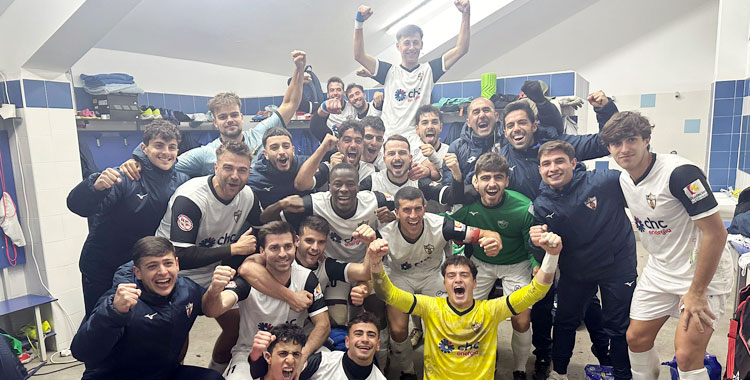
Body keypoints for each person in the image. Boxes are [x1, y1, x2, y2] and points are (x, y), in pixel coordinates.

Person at [600, 111, 734, 380]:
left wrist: (696, 292)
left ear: (647, 140)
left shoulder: (680, 174)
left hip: (701, 274)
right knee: (635, 339)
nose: (624, 149)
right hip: (660, 270)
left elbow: (716, 234)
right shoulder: (624, 180)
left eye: (631, 140)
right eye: (616, 143)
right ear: (609, 148)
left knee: (686, 357)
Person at [368, 232, 561, 380]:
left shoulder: (491, 310)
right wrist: (375, 263)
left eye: (464, 275)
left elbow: (537, 291)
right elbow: (388, 294)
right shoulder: (430, 306)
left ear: (475, 283)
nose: (457, 280)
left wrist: (552, 255)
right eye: (451, 276)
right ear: (444, 284)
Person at [530, 141, 637, 380]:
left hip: (617, 265)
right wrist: (537, 243)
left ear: (574, 163)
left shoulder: (606, 181)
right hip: (576, 270)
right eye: (546, 164)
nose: (553, 168)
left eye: (559, 161)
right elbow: (542, 253)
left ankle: (622, 375)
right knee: (566, 322)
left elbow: (642, 196)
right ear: (539, 170)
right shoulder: (542, 204)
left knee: (618, 325)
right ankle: (559, 373)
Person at [155, 140, 263, 372]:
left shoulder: (247, 195)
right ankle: (174, 374)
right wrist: (233, 249)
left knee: (237, 328)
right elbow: (180, 256)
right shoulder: (191, 197)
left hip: (213, 272)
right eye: (228, 168)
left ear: (249, 172)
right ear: (215, 167)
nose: (235, 176)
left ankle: (215, 373)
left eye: (242, 170)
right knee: (178, 336)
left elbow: (260, 229)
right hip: (175, 274)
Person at [118, 51, 306, 181]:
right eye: (223, 117)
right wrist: (136, 161)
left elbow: (289, 104)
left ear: (241, 117)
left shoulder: (259, 135)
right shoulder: (205, 154)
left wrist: (298, 69)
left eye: (233, 115)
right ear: (215, 122)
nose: (229, 120)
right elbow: (165, 161)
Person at [67, 120, 189, 316]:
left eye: (172, 147)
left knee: (143, 327)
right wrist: (94, 186)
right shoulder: (125, 177)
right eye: (159, 145)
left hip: (145, 269)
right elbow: (78, 206)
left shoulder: (182, 181)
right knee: (103, 324)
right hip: (104, 268)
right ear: (144, 148)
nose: (166, 152)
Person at [378, 186, 502, 379]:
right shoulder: (384, 234)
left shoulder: (443, 224)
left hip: (432, 275)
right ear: (396, 212)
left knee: (446, 323)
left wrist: (494, 241)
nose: (413, 215)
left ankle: (444, 368)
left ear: (425, 208)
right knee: (398, 329)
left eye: (418, 209)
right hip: (400, 277)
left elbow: (485, 234)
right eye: (407, 210)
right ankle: (407, 371)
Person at [71, 236, 230, 380]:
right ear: (138, 272)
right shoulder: (118, 300)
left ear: (177, 264)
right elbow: (82, 352)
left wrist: (215, 290)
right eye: (152, 266)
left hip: (162, 373)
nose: (162, 272)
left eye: (168, 263)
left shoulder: (186, 289)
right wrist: (113, 312)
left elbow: (209, 306)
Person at [445, 152, 539, 380]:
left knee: (521, 319)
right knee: (469, 314)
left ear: (507, 181)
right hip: (481, 264)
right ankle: (483, 361)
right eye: (485, 178)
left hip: (516, 264)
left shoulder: (523, 206)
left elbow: (531, 244)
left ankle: (519, 369)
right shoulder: (468, 205)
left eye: (498, 177)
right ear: (475, 181)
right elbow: (441, 222)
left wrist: (536, 265)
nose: (492, 183)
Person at [204, 221, 331, 380]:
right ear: (262, 251)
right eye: (274, 248)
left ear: (295, 245)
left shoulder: (306, 278)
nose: (283, 254)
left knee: (332, 368)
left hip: (293, 352)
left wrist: (302, 356)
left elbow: (323, 324)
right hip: (251, 352)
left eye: (287, 246)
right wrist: (214, 290)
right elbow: (212, 310)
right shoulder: (247, 281)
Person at [353, 0, 470, 145]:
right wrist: (359, 22)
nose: (411, 47)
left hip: (417, 142)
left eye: (415, 42)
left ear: (421, 45)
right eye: (407, 43)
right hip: (390, 140)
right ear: (398, 46)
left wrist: (465, 14)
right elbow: (359, 55)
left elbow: (461, 49)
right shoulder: (389, 71)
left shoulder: (429, 70)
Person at [250, 313, 387, 380]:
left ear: (378, 345)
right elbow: (273, 373)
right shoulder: (321, 362)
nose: (364, 340)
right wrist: (256, 355)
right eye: (358, 334)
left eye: (371, 335)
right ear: (347, 342)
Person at [358, 135, 447, 203]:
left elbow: (451, 195)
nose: (397, 158)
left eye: (402, 153)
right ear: (384, 159)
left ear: (410, 158)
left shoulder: (419, 181)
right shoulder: (372, 181)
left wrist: (456, 173)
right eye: (391, 153)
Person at [295, 120, 374, 190]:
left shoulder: (370, 171)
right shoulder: (327, 168)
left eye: (358, 141)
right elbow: (301, 184)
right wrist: (323, 148)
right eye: (347, 140)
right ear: (338, 145)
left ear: (363, 146)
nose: (353, 145)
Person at [248, 126, 312, 208]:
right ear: (265, 154)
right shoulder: (254, 178)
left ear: (293, 150)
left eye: (286, 146)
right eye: (274, 148)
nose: (281, 152)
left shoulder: (307, 165)